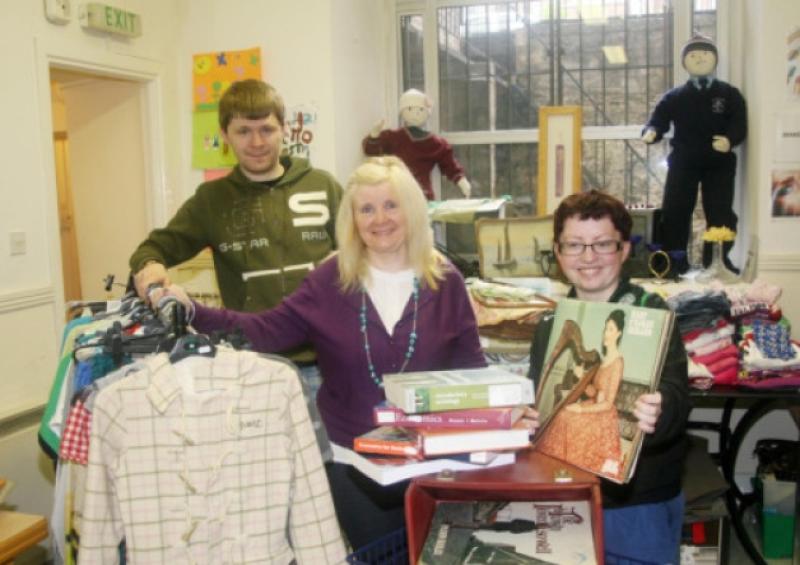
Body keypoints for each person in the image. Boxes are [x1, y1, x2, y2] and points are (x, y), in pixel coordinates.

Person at [159, 156, 489, 550]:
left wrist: (507, 411)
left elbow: (472, 369)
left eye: (390, 205)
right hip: (353, 463)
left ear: (412, 211)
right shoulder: (329, 280)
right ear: (352, 218)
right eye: (366, 208)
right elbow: (265, 331)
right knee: (381, 557)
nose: (378, 219)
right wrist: (194, 310)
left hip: (433, 461)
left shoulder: (445, 281)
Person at [129, 79, 343, 366]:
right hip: (254, 362)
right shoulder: (211, 200)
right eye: (243, 131)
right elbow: (153, 248)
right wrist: (150, 265)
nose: (257, 143)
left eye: (266, 129)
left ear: (283, 129)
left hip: (327, 359)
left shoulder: (323, 186)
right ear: (225, 136)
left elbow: (363, 254)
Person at [528, 190, 690, 564]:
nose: (588, 257)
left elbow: (678, 397)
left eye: (602, 244)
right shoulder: (550, 325)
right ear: (558, 252)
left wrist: (660, 409)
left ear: (624, 250)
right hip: (566, 494)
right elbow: (543, 397)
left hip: (637, 501)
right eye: (574, 245)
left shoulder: (653, 313)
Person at [642, 34, 747, 274]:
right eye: (693, 55)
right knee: (675, 210)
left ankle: (717, 262)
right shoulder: (675, 97)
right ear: (684, 62)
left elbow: (740, 124)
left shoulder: (729, 94)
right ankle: (674, 262)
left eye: (705, 54)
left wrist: (730, 140)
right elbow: (658, 121)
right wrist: (652, 132)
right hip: (683, 161)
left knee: (720, 211)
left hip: (718, 162)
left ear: (716, 59)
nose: (700, 59)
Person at [536, 310, 626, 481]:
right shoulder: (604, 360)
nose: (605, 334)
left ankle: (569, 468)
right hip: (592, 405)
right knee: (562, 414)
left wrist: (580, 409)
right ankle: (554, 466)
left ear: (619, 334)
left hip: (603, 415)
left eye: (611, 329)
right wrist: (579, 377)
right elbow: (594, 391)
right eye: (605, 329)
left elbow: (607, 403)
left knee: (567, 417)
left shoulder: (618, 362)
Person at [363, 88, 471, 200]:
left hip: (423, 196)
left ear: (427, 113)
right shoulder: (393, 137)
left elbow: (450, 165)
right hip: (397, 195)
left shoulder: (434, 143)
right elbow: (370, 150)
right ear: (402, 111)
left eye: (421, 109)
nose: (416, 113)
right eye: (410, 109)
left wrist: (461, 180)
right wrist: (374, 135)